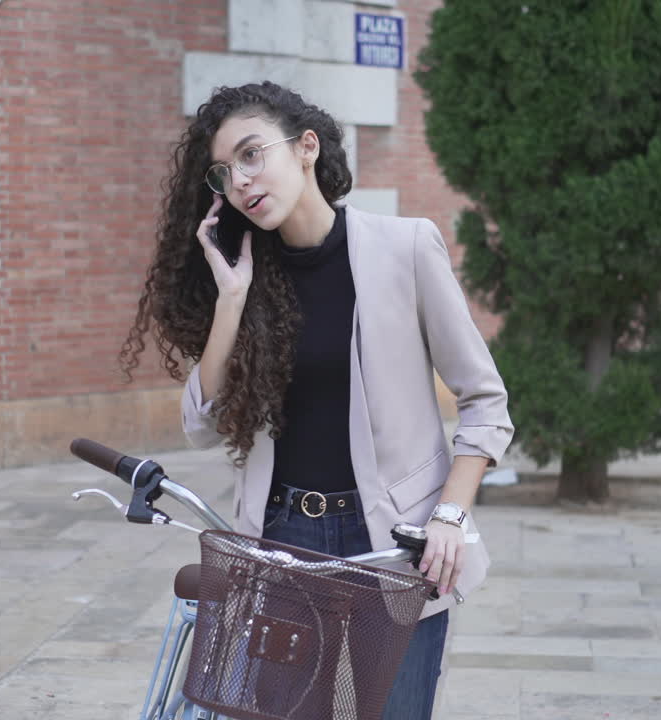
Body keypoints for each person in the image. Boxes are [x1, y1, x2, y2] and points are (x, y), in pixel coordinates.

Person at [120, 81, 513, 719]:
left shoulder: (406, 248)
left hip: (395, 541)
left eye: (252, 155)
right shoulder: (251, 275)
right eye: (224, 173)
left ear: (305, 148)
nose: (241, 181)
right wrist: (230, 297)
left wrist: (450, 517)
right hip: (282, 539)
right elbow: (200, 425)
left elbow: (484, 399)